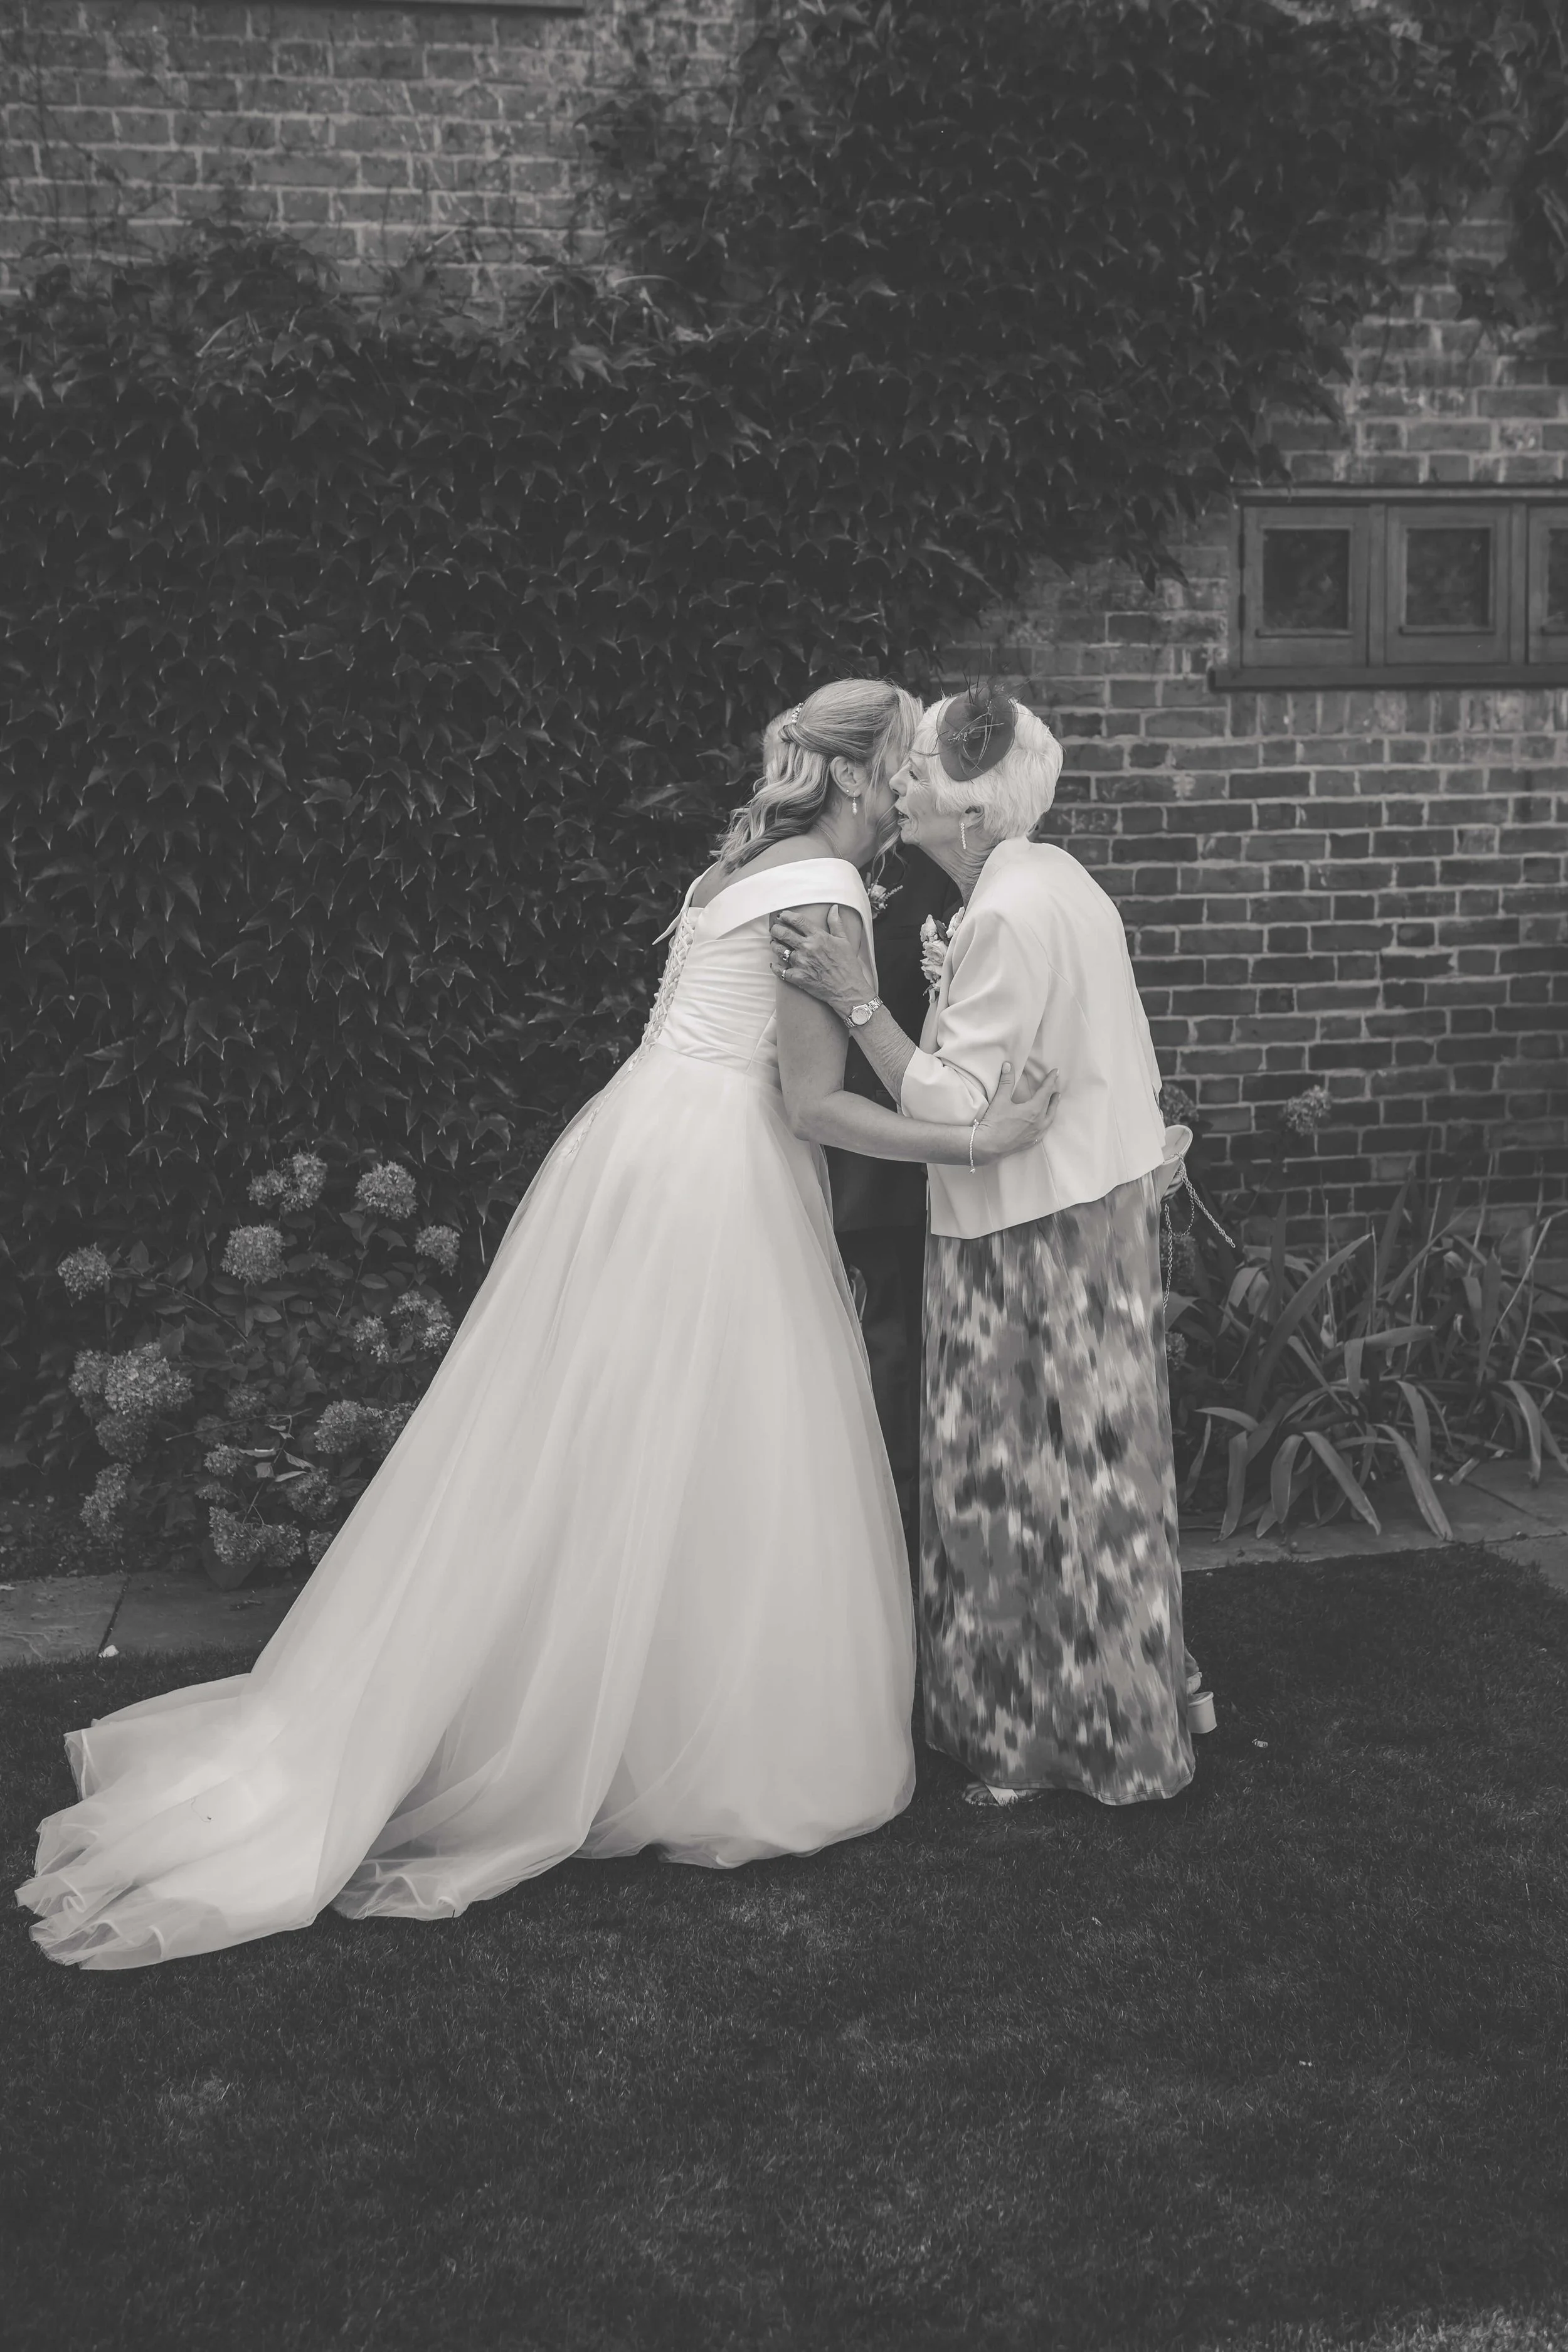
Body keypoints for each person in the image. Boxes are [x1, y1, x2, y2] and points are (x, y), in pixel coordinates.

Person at [19, 679, 1059, 1970]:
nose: (910, 784)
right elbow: (811, 1107)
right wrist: (976, 1138)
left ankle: (583, 1708)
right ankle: (676, 1745)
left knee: (607, 1454)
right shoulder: (824, 894)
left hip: (633, 1155)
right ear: (853, 777)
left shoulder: (737, 871)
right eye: (900, 760)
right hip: (711, 1185)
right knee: (713, 1453)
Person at [771, 686, 1197, 1809]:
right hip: (1089, 1223)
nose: (900, 781)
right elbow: (1130, 1049)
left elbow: (957, 1104)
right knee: (1093, 1476)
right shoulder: (1059, 880)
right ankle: (1130, 1700)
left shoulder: (1004, 912)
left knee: (1010, 1487)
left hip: (1021, 1240)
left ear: (966, 817)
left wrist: (861, 1004)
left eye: (921, 774)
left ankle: (1028, 1741)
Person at [826, 845, 961, 1572]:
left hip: (885, 1166)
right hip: (798, 1149)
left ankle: (899, 1561)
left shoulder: (931, 870)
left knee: (893, 1361)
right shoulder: (800, 867)